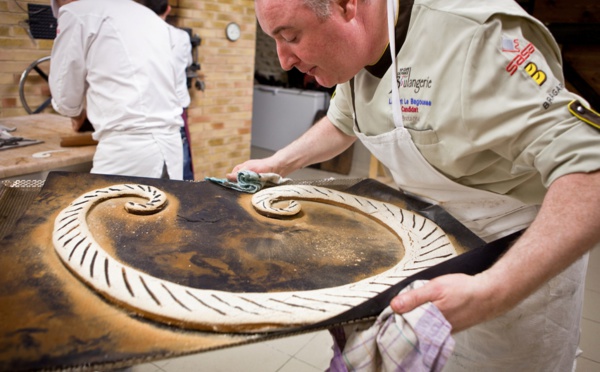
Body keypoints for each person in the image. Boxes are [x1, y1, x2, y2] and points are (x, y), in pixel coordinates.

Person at [229, 0, 600, 370]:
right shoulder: (354, 54)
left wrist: (493, 292)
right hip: (431, 246)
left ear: (346, 6)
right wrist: (277, 163)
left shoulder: (477, 38)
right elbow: (343, 121)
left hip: (514, 260)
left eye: (291, 36)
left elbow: (591, 167)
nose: (283, 61)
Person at [49, 0, 184, 180]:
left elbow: (64, 94)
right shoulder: (149, 17)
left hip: (128, 149)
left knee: (107, 208)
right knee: (166, 206)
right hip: (171, 144)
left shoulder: (78, 12)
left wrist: (75, 113)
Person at [135, 0, 195, 181]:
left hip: (145, 112)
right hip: (175, 111)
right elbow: (189, 63)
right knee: (180, 170)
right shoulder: (180, 36)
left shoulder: (135, 36)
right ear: (168, 9)